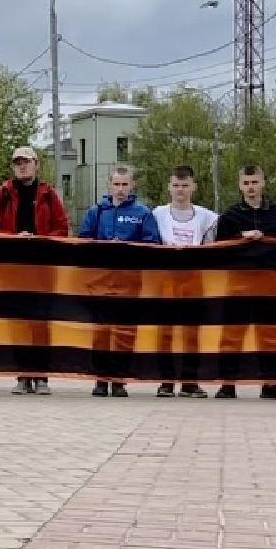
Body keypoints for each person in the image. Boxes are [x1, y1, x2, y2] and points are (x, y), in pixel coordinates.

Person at [0, 145, 68, 395]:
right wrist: (14, 238)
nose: (22, 166)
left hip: (42, 269)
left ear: (36, 164)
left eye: (26, 161)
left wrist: (40, 239)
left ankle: (41, 376)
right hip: (13, 269)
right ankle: (22, 375)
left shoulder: (48, 194)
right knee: (18, 323)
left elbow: (62, 228)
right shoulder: (2, 194)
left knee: (41, 323)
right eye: (17, 163)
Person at [74, 164, 162, 398]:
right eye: (116, 184)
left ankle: (119, 380)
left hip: (129, 285)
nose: (121, 189)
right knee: (100, 332)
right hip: (100, 284)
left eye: (125, 184)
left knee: (125, 332)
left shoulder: (142, 213)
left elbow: (153, 245)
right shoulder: (96, 212)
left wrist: (126, 249)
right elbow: (83, 243)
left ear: (132, 185)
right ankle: (101, 379)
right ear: (109, 185)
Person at [214, 164, 276, 400]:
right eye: (246, 183)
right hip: (237, 284)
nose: (251, 187)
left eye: (254, 182)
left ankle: (271, 384)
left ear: (263, 183)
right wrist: (240, 238)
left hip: (269, 284)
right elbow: (218, 250)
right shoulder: (229, 216)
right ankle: (228, 385)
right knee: (232, 334)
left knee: (269, 334)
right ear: (240, 186)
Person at [150, 166, 216, 397]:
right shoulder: (157, 214)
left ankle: (190, 382)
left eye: (185, 185)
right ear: (169, 187)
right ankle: (166, 382)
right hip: (166, 282)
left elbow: (214, 247)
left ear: (193, 187)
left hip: (193, 282)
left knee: (191, 334)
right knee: (165, 333)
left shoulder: (207, 217)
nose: (180, 190)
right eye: (176, 185)